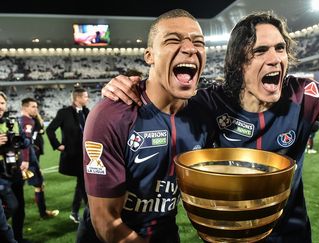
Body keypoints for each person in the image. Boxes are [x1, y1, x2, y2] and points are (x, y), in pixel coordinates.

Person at [103, 12, 319, 243]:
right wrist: (127, 86)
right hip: (226, 237)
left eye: (280, 48)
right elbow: (160, 96)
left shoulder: (303, 94)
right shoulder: (209, 103)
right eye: (260, 50)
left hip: (291, 236)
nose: (275, 58)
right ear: (239, 62)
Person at [77, 9, 214, 243]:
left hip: (166, 234)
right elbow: (106, 223)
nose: (191, 48)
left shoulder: (206, 112)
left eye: (198, 42)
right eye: (173, 40)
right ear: (149, 56)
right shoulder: (111, 114)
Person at [46, 87, 89, 223]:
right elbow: (50, 129)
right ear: (78, 98)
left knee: (82, 183)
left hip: (85, 155)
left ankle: (76, 212)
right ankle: (90, 211)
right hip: (72, 156)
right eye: (86, 97)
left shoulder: (87, 112)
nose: (88, 99)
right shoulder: (64, 113)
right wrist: (58, 145)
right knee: (83, 183)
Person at [20, 98, 59, 219]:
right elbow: (25, 143)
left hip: (27, 158)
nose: (36, 109)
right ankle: (43, 213)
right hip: (28, 160)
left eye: (36, 106)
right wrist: (26, 160)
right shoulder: (27, 122)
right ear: (25, 107)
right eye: (33, 106)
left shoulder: (25, 120)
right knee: (39, 185)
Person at [0, 92, 27, 242]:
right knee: (11, 205)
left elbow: (24, 143)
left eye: (2, 103)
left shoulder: (13, 121)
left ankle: (19, 237)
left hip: (14, 167)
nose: (0, 106)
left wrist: (21, 141)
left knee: (19, 208)